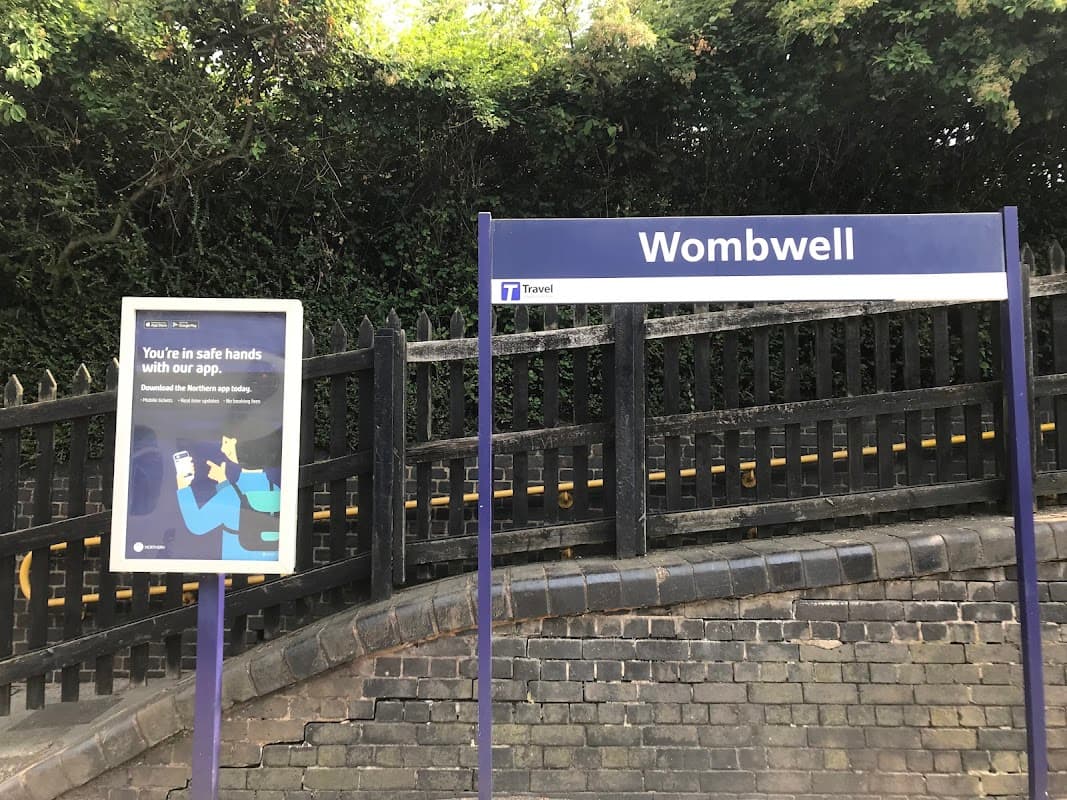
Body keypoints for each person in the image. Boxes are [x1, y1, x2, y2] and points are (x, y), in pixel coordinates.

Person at [175, 435, 280, 561]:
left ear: (242, 446)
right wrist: (222, 482)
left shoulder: (229, 495)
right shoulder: (276, 490)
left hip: (236, 572)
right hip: (269, 569)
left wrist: (183, 486)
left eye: (226, 442)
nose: (223, 448)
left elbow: (197, 525)